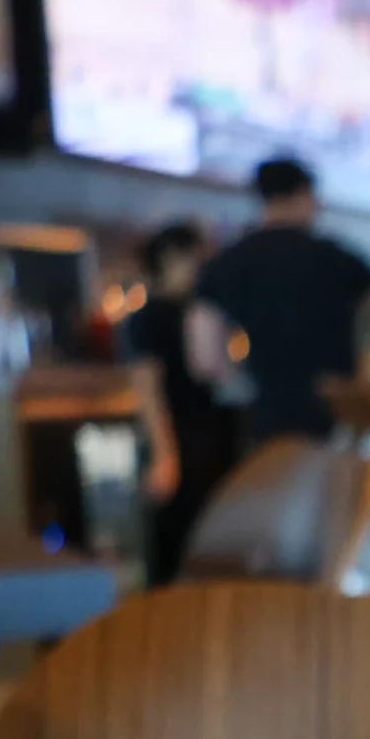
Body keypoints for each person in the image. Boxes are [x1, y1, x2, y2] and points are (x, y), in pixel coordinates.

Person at [188, 158, 370, 444]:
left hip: (265, 423)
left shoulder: (226, 264)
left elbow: (206, 360)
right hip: (336, 420)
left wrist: (244, 386)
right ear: (303, 195)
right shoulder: (334, 258)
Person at [122, 221, 238, 584]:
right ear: (173, 257)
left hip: (208, 436)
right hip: (178, 438)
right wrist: (164, 453)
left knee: (207, 540)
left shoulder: (198, 311)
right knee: (173, 546)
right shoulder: (150, 315)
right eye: (198, 257)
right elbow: (147, 388)